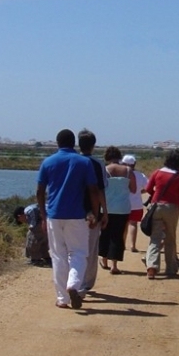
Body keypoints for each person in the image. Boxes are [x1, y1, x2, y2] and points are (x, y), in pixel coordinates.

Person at [36, 128, 100, 309]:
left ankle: (62, 299)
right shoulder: (83, 162)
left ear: (57, 143)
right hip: (77, 216)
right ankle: (73, 284)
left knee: (58, 256)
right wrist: (95, 213)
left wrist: (43, 215)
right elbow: (93, 190)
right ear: (74, 143)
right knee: (79, 253)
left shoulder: (48, 162)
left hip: (54, 215)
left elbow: (40, 191)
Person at [144, 149, 179, 279]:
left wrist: (156, 197)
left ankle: (151, 267)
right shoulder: (178, 176)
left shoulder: (157, 172)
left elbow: (148, 189)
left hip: (156, 207)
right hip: (172, 208)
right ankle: (170, 268)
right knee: (170, 238)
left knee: (155, 238)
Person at [77, 129, 108, 297]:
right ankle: (85, 283)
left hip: (72, 212)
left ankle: (74, 281)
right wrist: (104, 212)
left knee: (73, 249)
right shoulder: (97, 164)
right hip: (91, 212)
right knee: (90, 249)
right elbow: (100, 190)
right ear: (93, 145)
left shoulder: (72, 161)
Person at [100, 146, 136, 274]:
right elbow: (133, 189)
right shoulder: (127, 170)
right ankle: (114, 265)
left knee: (105, 234)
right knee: (117, 236)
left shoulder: (104, 170)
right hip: (122, 208)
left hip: (106, 208)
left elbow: (99, 189)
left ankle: (104, 261)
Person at [121, 154, 148, 253]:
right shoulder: (140, 175)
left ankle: (123, 244)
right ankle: (133, 245)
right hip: (136, 204)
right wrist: (140, 192)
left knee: (124, 225)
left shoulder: (121, 174)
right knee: (133, 224)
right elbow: (148, 187)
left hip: (123, 204)